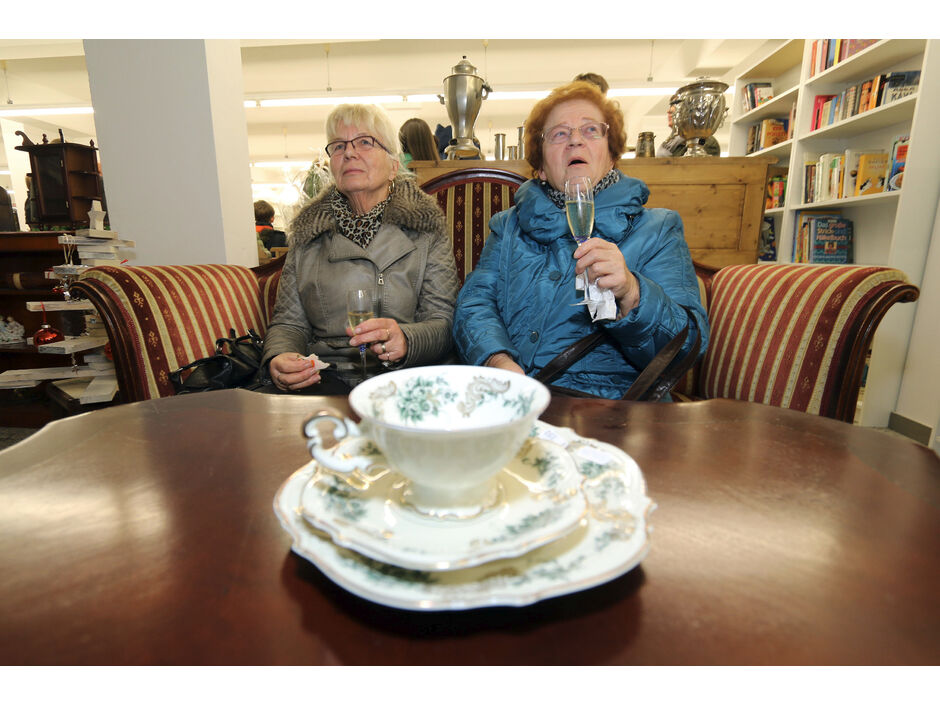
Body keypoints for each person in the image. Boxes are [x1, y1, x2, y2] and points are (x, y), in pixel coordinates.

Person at [453, 81, 708, 399]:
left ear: (611, 156)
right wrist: (497, 360)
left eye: (590, 130)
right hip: (515, 397)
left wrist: (632, 293)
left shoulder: (658, 228)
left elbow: (686, 347)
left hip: (613, 408)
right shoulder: (508, 227)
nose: (575, 140)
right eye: (559, 134)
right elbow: (474, 303)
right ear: (541, 167)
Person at [262, 103, 459, 394]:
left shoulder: (426, 229)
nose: (349, 153)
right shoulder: (308, 233)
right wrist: (279, 357)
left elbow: (443, 323)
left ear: (394, 166)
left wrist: (407, 339)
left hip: (407, 380)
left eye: (365, 142)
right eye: (338, 146)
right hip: (325, 381)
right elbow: (289, 323)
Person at [656, 95, 721, 157]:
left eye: (676, 105)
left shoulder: (705, 141)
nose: (669, 111)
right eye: (671, 105)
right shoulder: (669, 143)